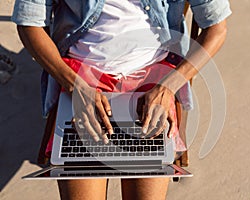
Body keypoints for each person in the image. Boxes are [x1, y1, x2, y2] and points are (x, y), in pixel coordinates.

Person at [12, 0, 231, 199]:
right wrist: (76, 86)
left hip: (153, 84)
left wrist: (168, 87)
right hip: (80, 79)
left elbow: (216, 28)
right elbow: (28, 22)